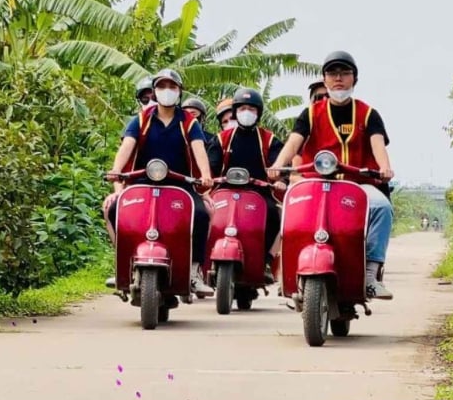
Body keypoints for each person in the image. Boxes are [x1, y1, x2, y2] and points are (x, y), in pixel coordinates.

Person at [269, 51, 396, 300]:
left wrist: (384, 168)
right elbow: (293, 143)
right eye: (332, 73)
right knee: (292, 215)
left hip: (357, 185)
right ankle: (288, 272)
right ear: (325, 79)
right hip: (316, 184)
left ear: (354, 79)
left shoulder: (368, 114)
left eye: (344, 73)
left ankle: (370, 274)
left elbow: (378, 145)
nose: (338, 79)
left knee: (382, 207)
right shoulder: (310, 113)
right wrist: (278, 164)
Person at [103, 68, 214, 294]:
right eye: (162, 86)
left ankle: (194, 271)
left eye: (172, 87)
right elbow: (127, 145)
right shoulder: (141, 119)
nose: (167, 90)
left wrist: (205, 175)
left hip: (180, 184)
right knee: (114, 209)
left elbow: (198, 148)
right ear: (154, 91)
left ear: (180, 92)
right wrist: (116, 170)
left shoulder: (189, 122)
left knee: (202, 214)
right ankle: (122, 264)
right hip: (141, 182)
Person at [211, 87, 285, 277]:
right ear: (235, 112)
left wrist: (279, 178)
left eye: (251, 109)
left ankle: (266, 261)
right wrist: (206, 178)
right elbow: (211, 166)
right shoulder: (221, 139)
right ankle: (203, 263)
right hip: (224, 192)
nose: (247, 112)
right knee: (205, 214)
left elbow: (280, 166)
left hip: (259, 194)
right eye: (242, 108)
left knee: (275, 215)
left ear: (258, 113)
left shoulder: (269, 140)